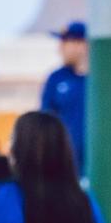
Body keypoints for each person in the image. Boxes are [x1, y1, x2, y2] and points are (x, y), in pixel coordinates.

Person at [40, 20, 89, 174]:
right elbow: (45, 120)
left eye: (66, 42)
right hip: (65, 165)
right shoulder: (56, 78)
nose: (60, 48)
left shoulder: (101, 78)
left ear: (81, 44)